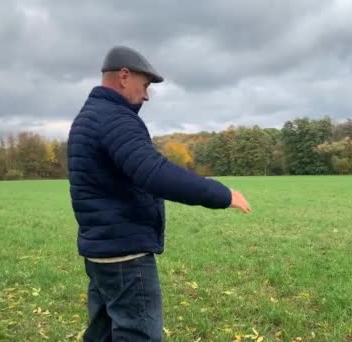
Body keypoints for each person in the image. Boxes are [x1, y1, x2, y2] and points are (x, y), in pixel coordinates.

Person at [67, 45, 251, 342]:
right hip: (124, 255)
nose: (147, 95)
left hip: (101, 251)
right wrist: (222, 194)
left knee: (102, 333)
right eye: (145, 85)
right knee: (138, 334)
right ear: (124, 76)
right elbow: (155, 173)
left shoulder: (89, 116)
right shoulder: (115, 119)